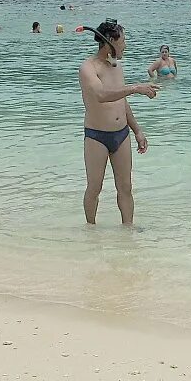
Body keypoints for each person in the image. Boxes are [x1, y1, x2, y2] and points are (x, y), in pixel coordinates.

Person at [78, 19, 158, 226]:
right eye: (123, 40)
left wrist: (137, 130)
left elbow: (120, 101)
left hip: (121, 134)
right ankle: (90, 229)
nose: (125, 45)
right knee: (94, 188)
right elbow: (102, 95)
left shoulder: (117, 67)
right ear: (110, 41)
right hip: (97, 136)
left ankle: (128, 231)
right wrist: (135, 88)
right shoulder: (88, 67)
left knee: (126, 187)